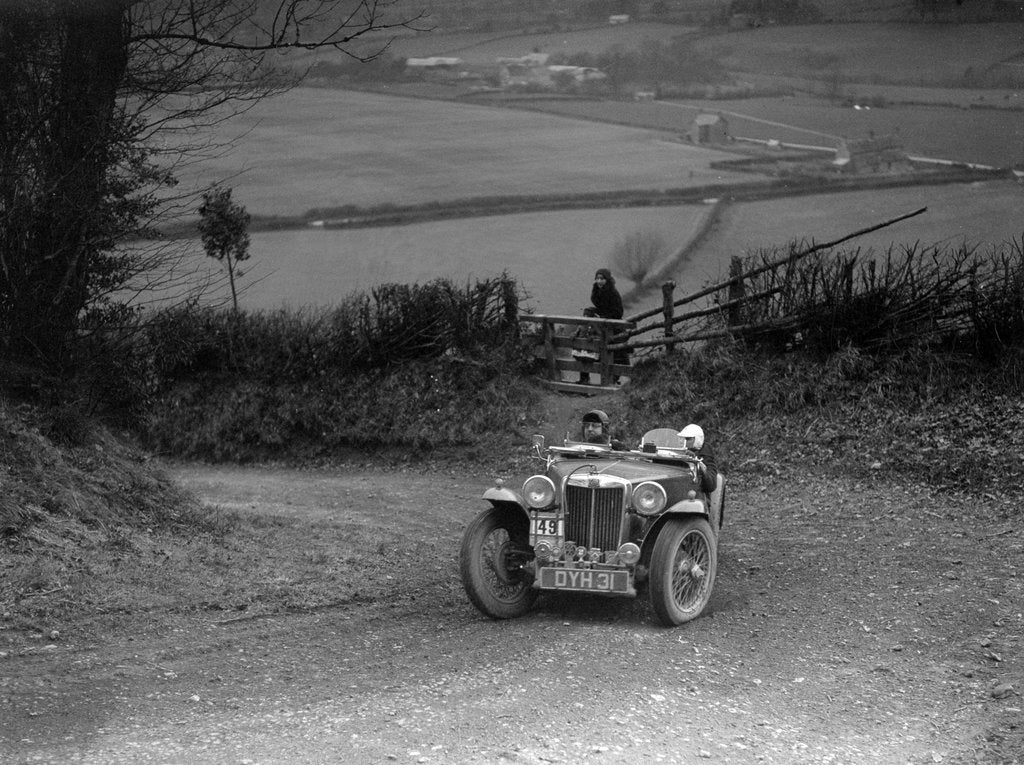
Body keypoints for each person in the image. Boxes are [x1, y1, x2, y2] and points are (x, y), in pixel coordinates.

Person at [578, 269, 626, 385]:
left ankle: (613, 379)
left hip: (613, 325)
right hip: (601, 322)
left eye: (602, 279)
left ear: (607, 280)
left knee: (616, 352)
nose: (599, 281)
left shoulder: (612, 292)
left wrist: (603, 317)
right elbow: (597, 305)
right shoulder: (596, 290)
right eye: (597, 278)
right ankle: (584, 378)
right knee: (586, 347)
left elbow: (618, 312)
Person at [677, 423, 724, 535]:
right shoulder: (676, 453)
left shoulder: (705, 454)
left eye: (688, 439)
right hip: (678, 493)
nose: (684, 442)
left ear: (697, 439)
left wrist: (700, 466)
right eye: (683, 439)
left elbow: (711, 484)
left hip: (697, 496)